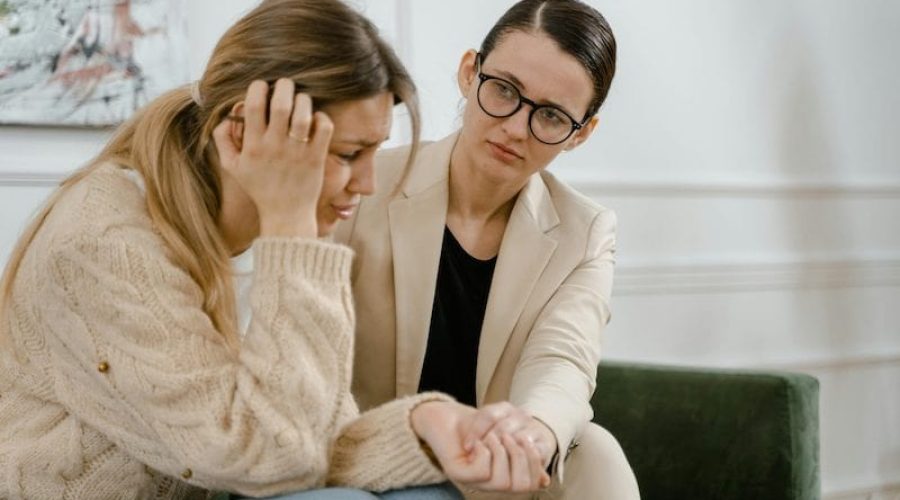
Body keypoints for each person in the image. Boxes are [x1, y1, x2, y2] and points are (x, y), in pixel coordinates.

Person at [0, 1, 550, 499]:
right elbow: (271, 456)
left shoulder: (237, 225)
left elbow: (306, 430)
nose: (366, 184)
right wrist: (293, 230)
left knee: (437, 489)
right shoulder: (107, 245)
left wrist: (428, 424)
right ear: (244, 133)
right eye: (348, 154)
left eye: (372, 152)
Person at [334, 0, 641, 498]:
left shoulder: (585, 232)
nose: (516, 128)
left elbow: (564, 359)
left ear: (581, 133)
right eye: (504, 90)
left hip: (496, 473)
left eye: (551, 116)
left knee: (597, 451)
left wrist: (533, 433)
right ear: (468, 72)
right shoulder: (363, 183)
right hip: (373, 460)